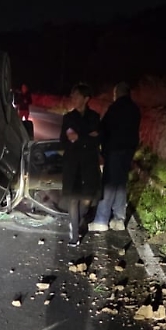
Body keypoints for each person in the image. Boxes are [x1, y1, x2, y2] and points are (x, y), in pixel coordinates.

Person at [90, 81, 141, 231]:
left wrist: (99, 147)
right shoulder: (135, 109)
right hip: (129, 150)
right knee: (120, 183)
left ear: (117, 93)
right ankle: (119, 219)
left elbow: (104, 128)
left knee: (109, 184)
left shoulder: (115, 108)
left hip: (114, 150)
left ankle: (101, 220)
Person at [59, 83, 101, 247]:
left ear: (86, 98)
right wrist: (87, 137)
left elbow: (97, 140)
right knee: (73, 199)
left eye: (77, 96)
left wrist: (79, 137)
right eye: (73, 96)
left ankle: (76, 221)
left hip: (89, 163)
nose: (74, 99)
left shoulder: (94, 117)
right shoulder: (68, 118)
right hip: (72, 163)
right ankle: (74, 234)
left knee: (86, 200)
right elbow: (64, 141)